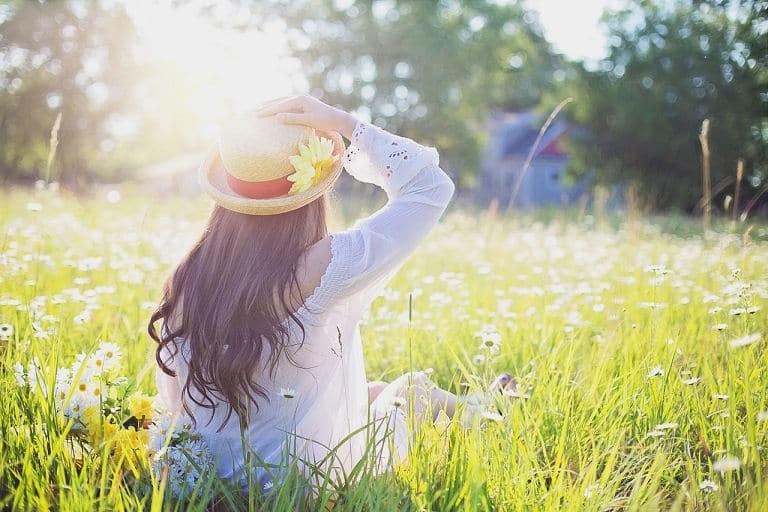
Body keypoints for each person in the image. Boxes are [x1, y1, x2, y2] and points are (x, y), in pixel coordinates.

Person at [147, 95, 512, 494]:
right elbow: (429, 187)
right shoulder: (321, 266)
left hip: (211, 475)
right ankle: (490, 412)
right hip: (305, 482)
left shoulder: (188, 275)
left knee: (371, 392)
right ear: (310, 193)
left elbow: (176, 399)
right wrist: (345, 123)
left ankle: (483, 404)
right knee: (411, 389)